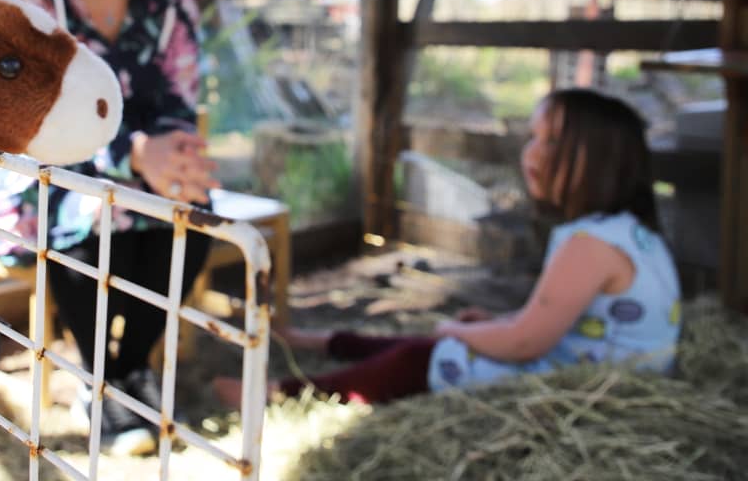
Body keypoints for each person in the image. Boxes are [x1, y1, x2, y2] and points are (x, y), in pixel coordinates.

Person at [214, 88, 681, 406]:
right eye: (534, 137)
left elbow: (525, 342)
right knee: (438, 338)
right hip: (598, 373)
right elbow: (557, 323)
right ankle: (316, 341)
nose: (531, 152)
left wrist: (460, 334)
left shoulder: (589, 246)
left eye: (552, 141)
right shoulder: (629, 233)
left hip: (585, 391)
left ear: (598, 161)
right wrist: (488, 326)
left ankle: (283, 392)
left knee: (423, 356)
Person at [0, 0, 219, 455]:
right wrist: (134, 154)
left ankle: (124, 372)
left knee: (193, 209)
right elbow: (25, 121)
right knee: (78, 209)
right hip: (46, 174)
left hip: (142, 170)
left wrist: (174, 154)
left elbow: (182, 90)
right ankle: (103, 374)